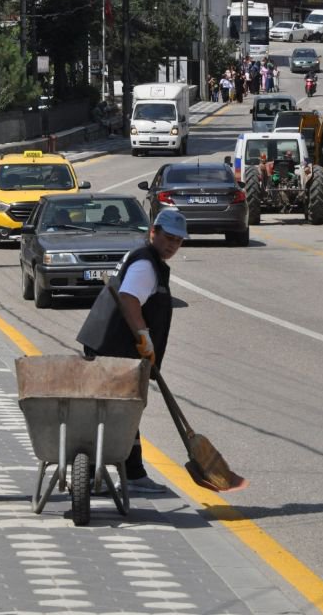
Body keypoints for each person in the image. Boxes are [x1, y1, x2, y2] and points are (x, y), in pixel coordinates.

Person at [76, 209, 190, 492]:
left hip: (111, 344)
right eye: (168, 237)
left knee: (124, 411)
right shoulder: (145, 264)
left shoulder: (146, 258)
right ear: (154, 231)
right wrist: (143, 336)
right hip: (114, 348)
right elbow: (129, 299)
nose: (172, 245)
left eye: (178, 241)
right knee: (115, 411)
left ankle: (133, 472)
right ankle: (93, 475)